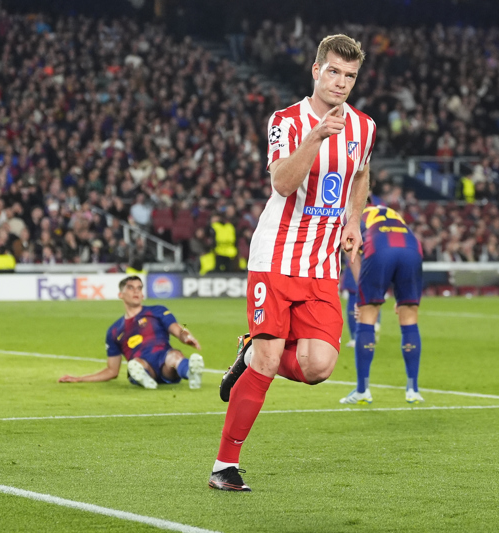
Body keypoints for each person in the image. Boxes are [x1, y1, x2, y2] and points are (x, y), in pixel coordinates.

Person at [210, 34, 376, 492]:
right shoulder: (286, 121)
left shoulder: (364, 126)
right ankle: (224, 465)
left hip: (322, 264)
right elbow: (282, 183)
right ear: (316, 70)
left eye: (350, 76)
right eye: (334, 72)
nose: (341, 83)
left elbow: (361, 172)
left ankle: (250, 350)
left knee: (319, 365)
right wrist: (317, 137)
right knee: (269, 358)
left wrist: (354, 219)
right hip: (277, 256)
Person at [340, 205, 424, 404]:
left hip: (379, 245)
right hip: (412, 246)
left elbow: (351, 253)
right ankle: (413, 390)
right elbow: (397, 247)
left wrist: (364, 298)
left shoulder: (351, 215)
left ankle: (362, 390)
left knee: (367, 316)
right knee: (409, 316)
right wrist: (401, 297)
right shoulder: (390, 211)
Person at [58, 275, 204, 389]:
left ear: (142, 295)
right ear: (120, 294)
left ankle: (192, 373)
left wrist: (187, 336)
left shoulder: (158, 310)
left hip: (165, 362)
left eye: (139, 288)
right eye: (131, 288)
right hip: (143, 364)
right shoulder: (114, 330)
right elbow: (112, 371)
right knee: (135, 365)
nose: (136, 291)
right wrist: (80, 378)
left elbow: (179, 328)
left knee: (174, 356)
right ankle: (144, 379)